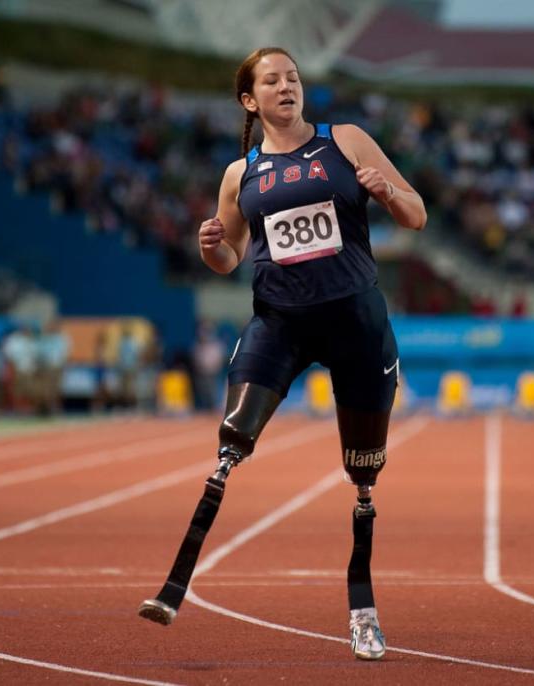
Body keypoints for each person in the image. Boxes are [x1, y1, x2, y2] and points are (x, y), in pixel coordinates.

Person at [195, 47, 425, 660]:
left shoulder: (345, 140)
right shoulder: (239, 175)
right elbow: (229, 259)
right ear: (251, 100)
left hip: (356, 322)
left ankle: (363, 608)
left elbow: (416, 214)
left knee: (364, 472)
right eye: (271, 80)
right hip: (281, 324)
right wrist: (211, 246)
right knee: (232, 436)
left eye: (292, 77)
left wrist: (384, 192)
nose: (286, 86)